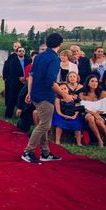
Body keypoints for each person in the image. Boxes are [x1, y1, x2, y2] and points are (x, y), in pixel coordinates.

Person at [22, 33, 68, 164]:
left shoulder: (39, 56)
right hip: (45, 95)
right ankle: (28, 151)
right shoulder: (54, 59)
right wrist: (65, 95)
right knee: (44, 125)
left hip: (36, 93)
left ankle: (45, 152)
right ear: (60, 44)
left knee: (43, 124)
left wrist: (29, 92)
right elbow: (50, 81)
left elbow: (32, 75)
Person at [79, 74, 106, 147]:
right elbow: (83, 108)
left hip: (101, 114)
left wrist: (99, 115)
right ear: (88, 83)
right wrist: (94, 113)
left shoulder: (103, 93)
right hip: (87, 115)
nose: (94, 83)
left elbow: (105, 109)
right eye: (92, 81)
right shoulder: (82, 94)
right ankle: (99, 140)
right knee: (90, 117)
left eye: (96, 81)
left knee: (98, 121)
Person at [3, 46, 31, 118]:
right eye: (20, 51)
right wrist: (19, 77)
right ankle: (8, 115)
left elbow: (30, 69)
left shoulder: (28, 60)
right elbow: (11, 71)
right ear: (17, 52)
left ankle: (23, 116)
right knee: (12, 98)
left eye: (23, 51)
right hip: (15, 82)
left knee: (23, 99)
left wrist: (25, 78)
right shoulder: (13, 61)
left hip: (25, 82)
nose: (21, 52)